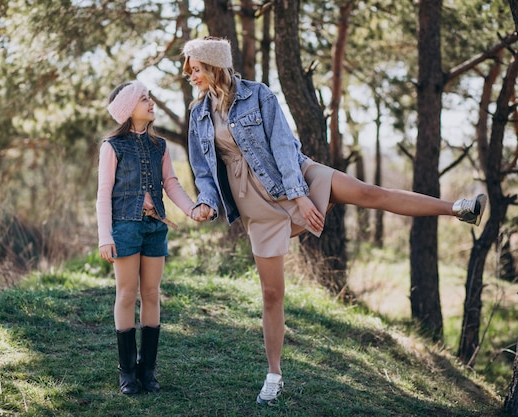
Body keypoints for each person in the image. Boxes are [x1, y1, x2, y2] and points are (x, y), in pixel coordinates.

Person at [181, 36, 487, 405]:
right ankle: (274, 375)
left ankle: (458, 207)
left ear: (214, 65)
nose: (189, 75)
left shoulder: (258, 95)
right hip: (254, 203)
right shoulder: (198, 114)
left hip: (293, 175)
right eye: (189, 69)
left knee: (371, 193)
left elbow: (281, 144)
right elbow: (203, 172)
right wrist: (207, 204)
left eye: (195, 68)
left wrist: (299, 193)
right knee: (272, 294)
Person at [96, 80, 197, 395]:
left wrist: (193, 210)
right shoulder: (112, 146)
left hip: (155, 228)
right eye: (144, 99)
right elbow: (102, 194)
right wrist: (104, 236)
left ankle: (147, 370)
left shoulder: (160, 146)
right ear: (128, 109)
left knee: (151, 294)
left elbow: (171, 184)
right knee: (127, 294)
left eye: (150, 97)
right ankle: (127, 372)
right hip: (124, 228)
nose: (151, 103)